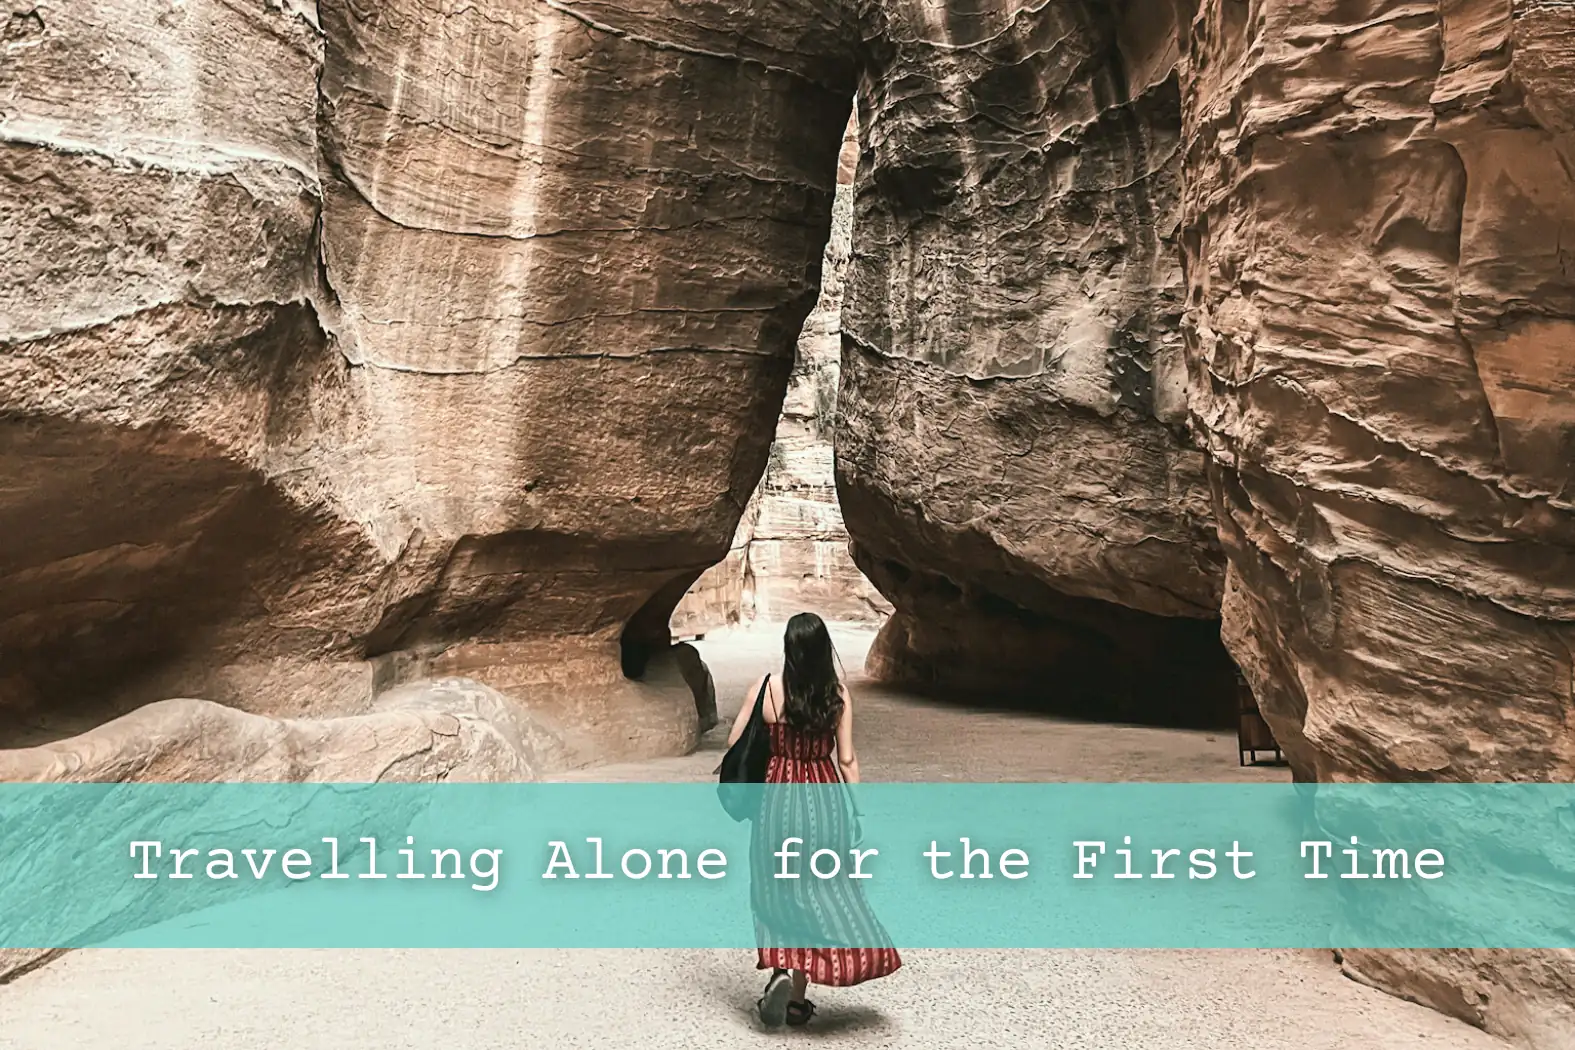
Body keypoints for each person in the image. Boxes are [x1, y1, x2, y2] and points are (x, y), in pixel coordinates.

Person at [724, 612, 902, 1027]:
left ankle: (781, 970)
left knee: (773, 887)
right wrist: (857, 812)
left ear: (789, 649)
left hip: (776, 801)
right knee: (818, 892)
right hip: (824, 802)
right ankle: (797, 999)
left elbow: (735, 743)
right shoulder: (837, 694)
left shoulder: (766, 689)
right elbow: (848, 760)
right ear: (826, 649)